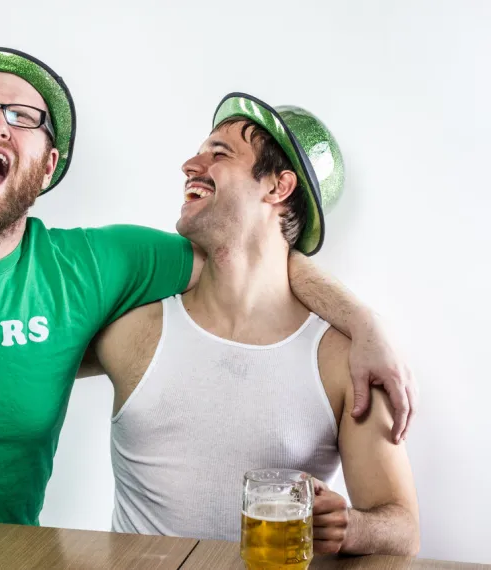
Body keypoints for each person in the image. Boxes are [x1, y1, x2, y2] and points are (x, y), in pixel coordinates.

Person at [0, 47, 415, 527]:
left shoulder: (93, 266)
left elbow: (243, 251)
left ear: (48, 164)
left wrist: (364, 324)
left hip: (5, 559)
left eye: (24, 118)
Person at [93, 94, 418, 555]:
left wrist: (351, 528)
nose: (190, 165)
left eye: (219, 153)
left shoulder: (347, 362)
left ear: (278, 187)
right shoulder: (130, 330)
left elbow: (404, 530)